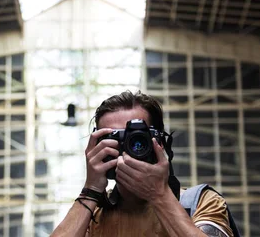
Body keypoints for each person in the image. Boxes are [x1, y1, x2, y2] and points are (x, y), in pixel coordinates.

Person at [51, 91, 233, 237]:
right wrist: (91, 190)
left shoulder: (200, 203)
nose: (129, 148)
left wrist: (159, 195)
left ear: (160, 144)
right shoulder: (92, 215)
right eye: (116, 139)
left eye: (138, 138)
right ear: (97, 147)